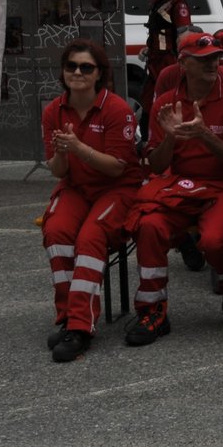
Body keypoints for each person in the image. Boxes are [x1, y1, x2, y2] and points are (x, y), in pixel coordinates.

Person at [127, 31, 223, 346]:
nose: (214, 63)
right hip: (178, 185)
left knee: (214, 241)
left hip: (222, 184)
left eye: (216, 57)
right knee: (150, 226)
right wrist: (171, 137)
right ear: (184, 63)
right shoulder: (165, 104)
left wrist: (205, 135)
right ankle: (153, 311)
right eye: (204, 58)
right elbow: (154, 164)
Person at [41, 40, 142, 362]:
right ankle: (68, 318)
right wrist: (61, 152)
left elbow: (117, 167)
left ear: (100, 74)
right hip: (76, 187)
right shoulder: (53, 111)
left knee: (90, 237)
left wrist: (79, 148)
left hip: (116, 188)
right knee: (56, 233)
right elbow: (58, 171)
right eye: (71, 66)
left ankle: (81, 327)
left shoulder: (117, 110)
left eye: (86, 67)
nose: (78, 72)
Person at [142, 0, 193, 93]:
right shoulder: (162, 2)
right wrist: (149, 48)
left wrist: (183, 57)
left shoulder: (178, 4)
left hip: (169, 58)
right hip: (156, 59)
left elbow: (184, 34)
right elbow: (158, 31)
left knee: (169, 90)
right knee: (152, 93)